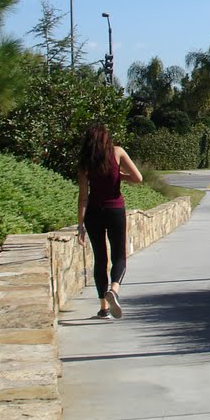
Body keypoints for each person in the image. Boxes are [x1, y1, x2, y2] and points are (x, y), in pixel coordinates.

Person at [77, 123, 143, 319]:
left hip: (93, 213)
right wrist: (119, 176)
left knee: (100, 258)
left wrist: (80, 224)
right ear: (106, 138)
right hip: (115, 210)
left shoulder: (85, 162)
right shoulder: (117, 152)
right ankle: (114, 289)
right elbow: (138, 178)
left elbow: (83, 197)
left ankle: (103, 308)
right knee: (119, 257)